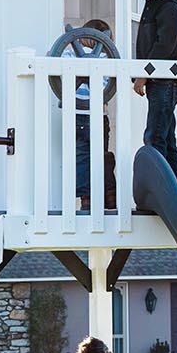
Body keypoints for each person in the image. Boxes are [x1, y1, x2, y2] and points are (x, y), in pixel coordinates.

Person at [132, 0, 177, 183]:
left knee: (154, 138)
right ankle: (175, 193)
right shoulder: (153, 5)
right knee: (167, 139)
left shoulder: (169, 8)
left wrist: (143, 76)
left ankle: (160, 190)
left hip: (166, 82)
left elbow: (164, 46)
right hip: (158, 81)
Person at [59, 18, 115, 211]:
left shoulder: (70, 54)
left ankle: (87, 199)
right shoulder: (106, 58)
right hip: (98, 115)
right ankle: (109, 194)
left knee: (82, 156)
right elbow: (109, 85)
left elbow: (54, 59)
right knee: (101, 155)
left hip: (76, 115)